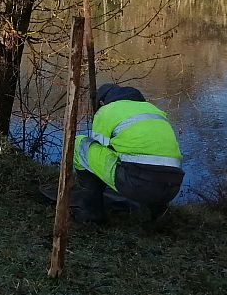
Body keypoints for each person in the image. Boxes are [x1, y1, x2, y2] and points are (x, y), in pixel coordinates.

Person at [72, 83, 184, 223]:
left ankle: (91, 209)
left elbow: (100, 148)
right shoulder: (154, 110)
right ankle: (157, 211)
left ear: (101, 102)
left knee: (80, 145)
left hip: (138, 184)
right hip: (172, 187)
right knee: (148, 157)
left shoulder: (106, 110)